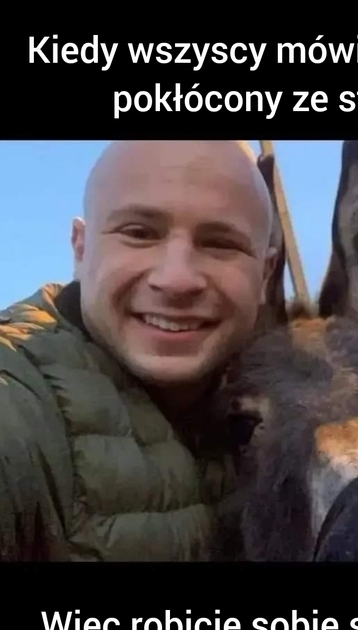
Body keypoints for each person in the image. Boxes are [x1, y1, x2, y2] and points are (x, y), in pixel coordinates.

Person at [0, 140, 279, 562]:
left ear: (265, 275)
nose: (176, 280)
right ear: (80, 248)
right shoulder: (18, 400)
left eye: (220, 243)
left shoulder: (291, 404)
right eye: (139, 233)